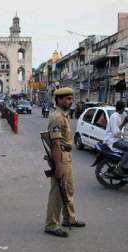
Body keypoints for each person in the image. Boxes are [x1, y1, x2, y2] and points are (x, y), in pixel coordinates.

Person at [45, 87, 86, 238]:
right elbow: (55, 143)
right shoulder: (57, 117)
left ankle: (70, 218)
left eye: (71, 98)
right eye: (68, 98)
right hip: (60, 157)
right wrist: (58, 165)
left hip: (66, 156)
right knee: (57, 192)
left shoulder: (64, 116)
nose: (71, 101)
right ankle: (51, 224)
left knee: (68, 189)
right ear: (59, 100)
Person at [104, 100, 128, 177]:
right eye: (124, 108)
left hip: (117, 139)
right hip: (113, 140)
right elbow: (115, 132)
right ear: (122, 108)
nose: (124, 110)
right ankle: (118, 168)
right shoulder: (114, 116)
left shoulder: (119, 115)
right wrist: (124, 123)